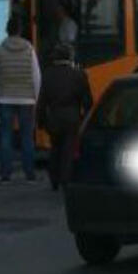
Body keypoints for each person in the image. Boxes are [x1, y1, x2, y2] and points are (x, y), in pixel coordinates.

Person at [0, 17, 42, 183]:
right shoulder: (29, 49)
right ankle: (29, 173)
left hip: (5, 97)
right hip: (27, 99)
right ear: (20, 30)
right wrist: (36, 98)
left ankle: (5, 174)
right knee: (27, 137)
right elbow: (36, 76)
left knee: (6, 136)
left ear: (7, 30)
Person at [36, 43, 93, 191]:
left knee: (55, 147)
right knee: (68, 149)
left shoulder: (47, 75)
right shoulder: (78, 75)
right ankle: (66, 179)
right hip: (72, 116)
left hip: (53, 117)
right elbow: (87, 100)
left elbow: (42, 101)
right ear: (69, 57)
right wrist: (86, 117)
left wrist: (40, 121)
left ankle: (54, 178)